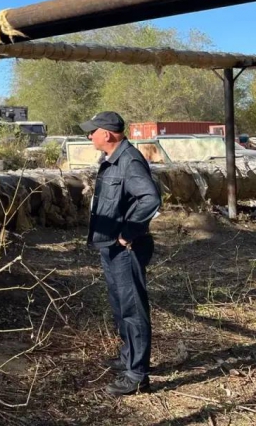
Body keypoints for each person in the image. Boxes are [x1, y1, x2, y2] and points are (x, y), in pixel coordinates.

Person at [80, 111, 161, 396]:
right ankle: (129, 358)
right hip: (111, 248)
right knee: (120, 307)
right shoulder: (112, 160)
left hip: (127, 248)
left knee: (132, 310)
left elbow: (150, 197)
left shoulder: (128, 160)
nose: (89, 136)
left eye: (93, 131)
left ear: (108, 134)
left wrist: (128, 233)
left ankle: (138, 374)